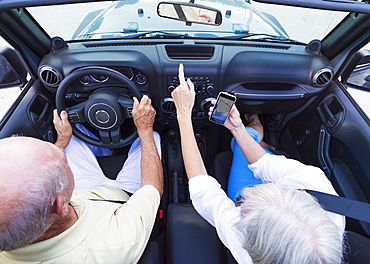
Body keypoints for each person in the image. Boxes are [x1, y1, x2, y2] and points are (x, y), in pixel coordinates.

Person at [171, 63, 345, 264]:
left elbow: (202, 188)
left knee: (243, 143)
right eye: (278, 188)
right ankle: (256, 132)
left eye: (245, 206)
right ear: (301, 194)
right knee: (244, 142)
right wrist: (237, 128)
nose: (246, 192)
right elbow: (263, 164)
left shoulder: (243, 239)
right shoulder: (320, 193)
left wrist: (183, 114)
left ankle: (256, 130)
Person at [0, 95, 163, 264]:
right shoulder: (115, 243)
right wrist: (144, 129)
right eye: (62, 165)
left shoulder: (41, 217)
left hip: (81, 192)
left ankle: (103, 152)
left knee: (76, 136)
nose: (63, 155)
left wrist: (61, 142)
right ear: (59, 204)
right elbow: (151, 187)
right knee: (154, 137)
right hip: (124, 199)